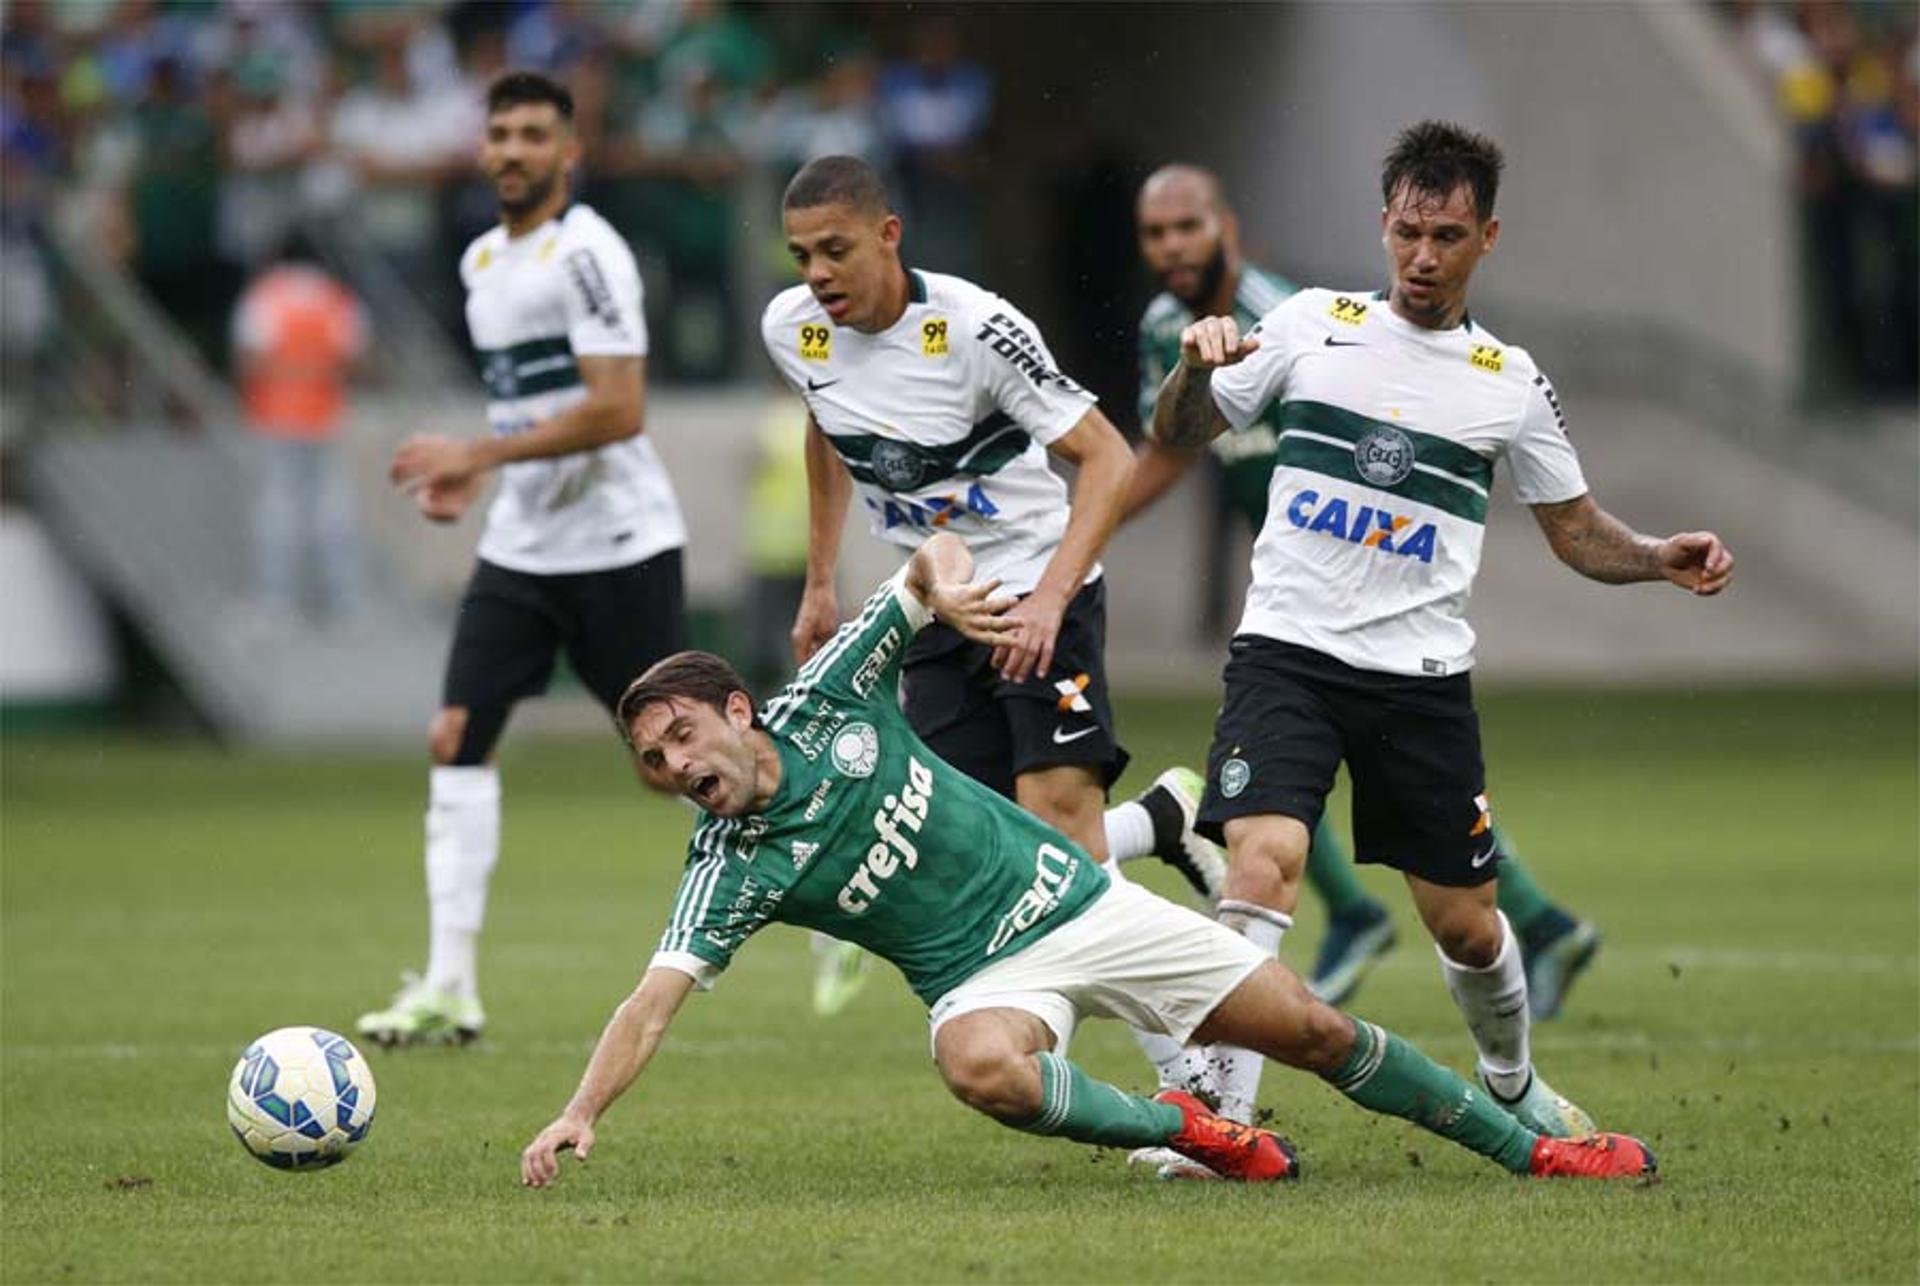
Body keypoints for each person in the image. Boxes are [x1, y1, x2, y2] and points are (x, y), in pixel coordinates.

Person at [517, 533, 1657, 1188]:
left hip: (1078, 901)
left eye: (680, 736)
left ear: (736, 708)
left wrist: (948, 590)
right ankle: (1190, 1125)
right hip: (984, 980)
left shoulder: (827, 700)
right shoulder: (729, 864)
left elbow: (924, 564)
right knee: (978, 1068)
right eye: (654, 758)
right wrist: (581, 1109)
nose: (674, 765)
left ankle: (1536, 1150)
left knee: (1313, 1029)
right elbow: (651, 999)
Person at [1149, 122, 1734, 1154]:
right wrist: (1195, 368)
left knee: (1464, 921)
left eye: (1448, 236)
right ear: (1384, 225)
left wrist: (1655, 555)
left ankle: (1511, 1080)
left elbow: (1573, 529)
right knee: (1263, 861)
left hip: (1418, 681)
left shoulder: (1508, 380)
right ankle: (1215, 1119)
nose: (1424, 256)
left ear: (1487, 238)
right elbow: (1180, 432)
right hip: (1286, 652)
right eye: (1409, 231)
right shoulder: (1305, 324)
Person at [762, 156, 1227, 1046]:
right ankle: (1164, 820)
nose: (816, 274)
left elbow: (1110, 458)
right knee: (985, 846)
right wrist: (822, 580)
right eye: (800, 256)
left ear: (889, 236)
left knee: (1065, 844)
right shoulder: (795, 329)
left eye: (834, 250)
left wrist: (1051, 600)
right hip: (939, 607)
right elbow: (824, 425)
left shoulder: (976, 330)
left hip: (1034, 591)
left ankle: (1197, 1092)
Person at [1126, 163, 1600, 1020]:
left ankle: (1528, 928)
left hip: (1385, 608)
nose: (1171, 248)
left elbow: (1569, 523)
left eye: (1187, 227)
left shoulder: (1288, 308)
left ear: (1226, 226)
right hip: (1293, 607)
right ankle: (1345, 928)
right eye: (1155, 234)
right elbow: (1177, 441)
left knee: (1449, 888)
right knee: (1267, 821)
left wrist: (1083, 531)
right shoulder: (1172, 325)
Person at [358, 72, 687, 1046]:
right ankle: (452, 983)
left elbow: (619, 404)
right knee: (458, 731)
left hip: (621, 544)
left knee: (672, 760)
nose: (510, 150)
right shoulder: (479, 263)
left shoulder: (588, 254)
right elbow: (529, 406)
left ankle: (827, 881)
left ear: (568, 152)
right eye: (498, 132)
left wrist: (480, 453)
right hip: (524, 546)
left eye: (532, 134)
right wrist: (481, 477)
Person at [231, 236, 367, 624]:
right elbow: (355, 360)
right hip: (326, 415)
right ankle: (344, 601)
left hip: (276, 415)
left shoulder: (264, 298)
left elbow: (250, 360)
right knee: (333, 508)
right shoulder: (337, 298)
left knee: (278, 510)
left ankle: (276, 601)